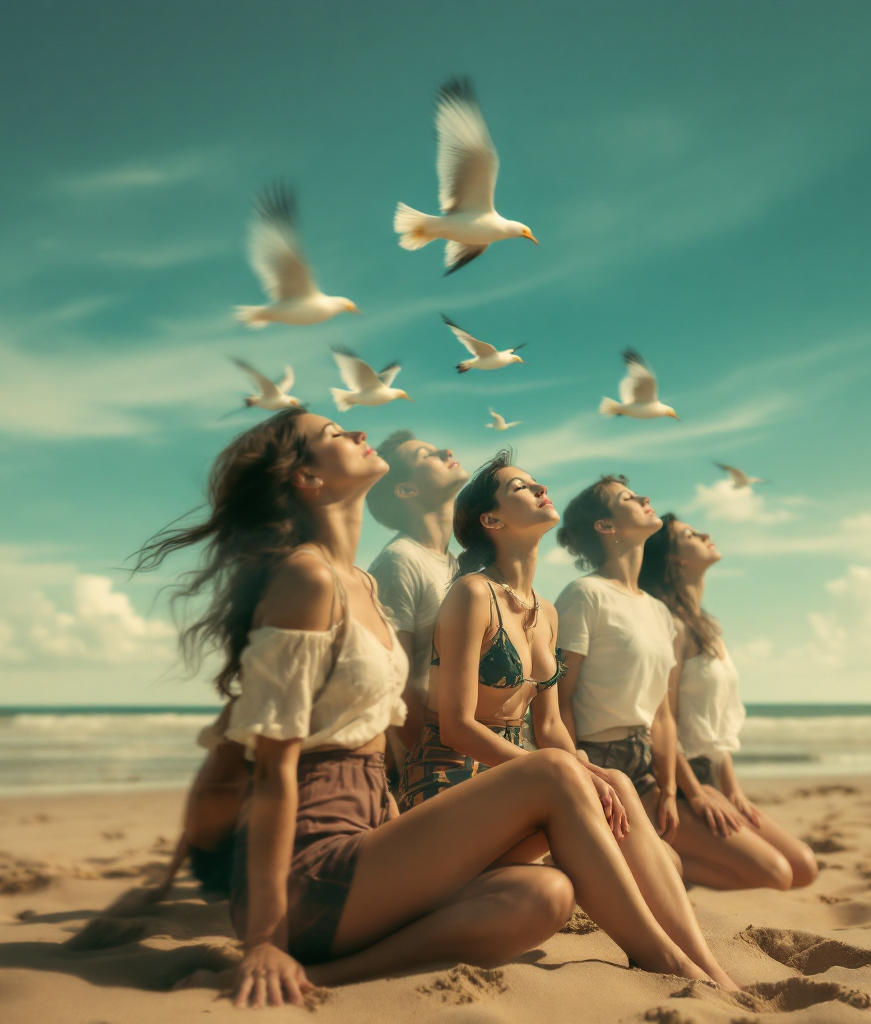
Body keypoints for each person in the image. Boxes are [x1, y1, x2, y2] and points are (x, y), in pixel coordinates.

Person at [134, 410, 738, 1007]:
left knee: (548, 895)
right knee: (558, 771)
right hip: (311, 875)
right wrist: (263, 939)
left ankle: (328, 976)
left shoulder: (361, 583)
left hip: (369, 841)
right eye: (336, 435)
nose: (361, 432)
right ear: (308, 480)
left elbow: (373, 735)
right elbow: (271, 770)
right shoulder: (308, 580)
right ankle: (672, 965)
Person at [399, 452, 736, 990]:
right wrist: (565, 773)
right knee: (597, 787)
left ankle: (703, 964)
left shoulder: (546, 611)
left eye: (537, 483)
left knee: (618, 782)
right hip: (449, 785)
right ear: (492, 520)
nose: (540, 489)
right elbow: (457, 726)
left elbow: (552, 726)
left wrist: (582, 767)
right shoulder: (471, 594)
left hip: (517, 782)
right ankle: (667, 960)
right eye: (521, 487)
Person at [639, 516, 818, 891]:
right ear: (673, 559)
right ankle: (641, 860)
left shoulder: (706, 626)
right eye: (689, 535)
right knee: (775, 875)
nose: (706, 535)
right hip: (672, 780)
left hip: (709, 775)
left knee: (802, 867)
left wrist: (732, 789)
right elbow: (662, 717)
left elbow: (712, 725)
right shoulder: (670, 624)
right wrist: (696, 791)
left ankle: (664, 858)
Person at [554, 475, 683, 845]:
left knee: (771, 867)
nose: (644, 496)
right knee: (667, 865)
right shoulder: (585, 595)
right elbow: (560, 698)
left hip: (644, 765)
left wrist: (669, 790)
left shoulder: (659, 612)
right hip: (596, 757)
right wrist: (580, 768)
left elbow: (662, 714)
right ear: (605, 525)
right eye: (627, 497)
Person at [366, 430, 469, 755]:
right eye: (425, 455)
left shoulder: (457, 567)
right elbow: (397, 684)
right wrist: (423, 763)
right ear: (407, 489)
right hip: (433, 757)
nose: (445, 449)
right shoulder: (399, 561)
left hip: (463, 744)